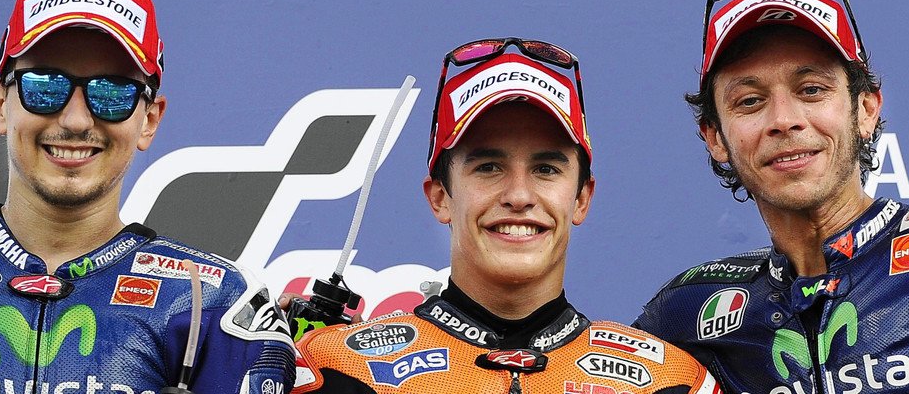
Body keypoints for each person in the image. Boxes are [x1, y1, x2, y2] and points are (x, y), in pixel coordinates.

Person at [290, 38, 722, 393]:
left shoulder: (671, 381)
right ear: (440, 198)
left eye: (546, 169)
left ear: (581, 199)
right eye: (488, 167)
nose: (518, 195)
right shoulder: (335, 369)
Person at [0, 0, 294, 392]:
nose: (76, 120)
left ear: (149, 120)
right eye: (45, 87)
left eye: (112, 93)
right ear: (1, 105)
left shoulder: (211, 303)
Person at [634, 0, 909, 393]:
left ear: (866, 109)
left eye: (811, 90)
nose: (783, 120)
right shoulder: (687, 313)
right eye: (750, 101)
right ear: (715, 137)